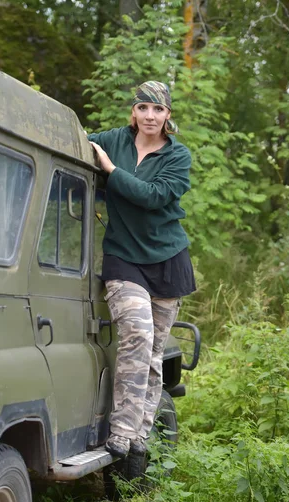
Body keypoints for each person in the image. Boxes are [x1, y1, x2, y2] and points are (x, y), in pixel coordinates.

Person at [88, 80, 196, 459]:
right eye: (143, 108)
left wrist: (110, 170)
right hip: (123, 257)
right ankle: (121, 432)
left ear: (168, 116)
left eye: (158, 109)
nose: (150, 115)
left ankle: (139, 439)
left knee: (152, 354)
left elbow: (152, 198)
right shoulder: (113, 139)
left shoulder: (177, 157)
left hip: (168, 262)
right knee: (136, 335)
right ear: (133, 112)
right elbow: (71, 139)